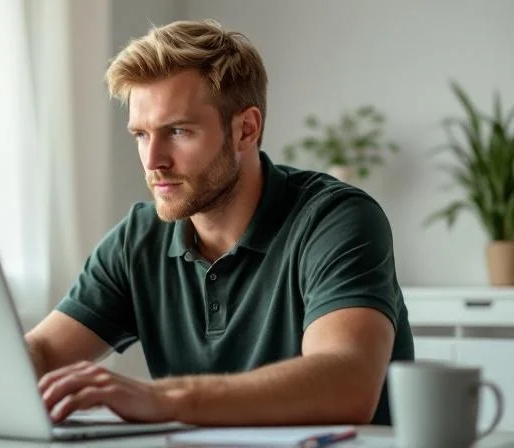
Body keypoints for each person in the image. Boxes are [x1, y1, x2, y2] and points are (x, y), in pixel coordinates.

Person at [24, 19, 414, 427]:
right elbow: (44, 352)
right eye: (141, 134)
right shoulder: (137, 241)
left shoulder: (336, 220)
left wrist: (166, 398)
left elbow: (346, 382)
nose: (153, 160)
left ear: (246, 129)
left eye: (177, 131)